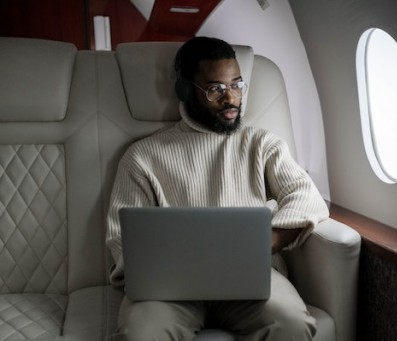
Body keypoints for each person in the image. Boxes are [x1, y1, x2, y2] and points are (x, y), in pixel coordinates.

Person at [106, 36, 329, 340]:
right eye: (215, 89)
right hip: (170, 289)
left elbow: (307, 199)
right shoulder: (142, 156)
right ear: (185, 91)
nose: (231, 99)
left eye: (237, 85)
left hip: (250, 278)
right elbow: (121, 236)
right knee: (140, 334)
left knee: (292, 324)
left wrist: (264, 243)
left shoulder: (263, 144)